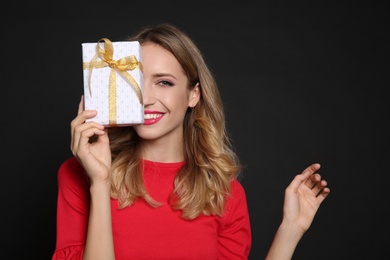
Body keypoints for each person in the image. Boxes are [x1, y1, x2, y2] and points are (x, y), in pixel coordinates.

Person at [52, 23, 330, 260]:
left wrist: (291, 229)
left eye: (164, 82)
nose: (145, 98)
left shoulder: (225, 193)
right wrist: (100, 183)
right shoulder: (80, 175)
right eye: (135, 82)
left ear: (193, 95)